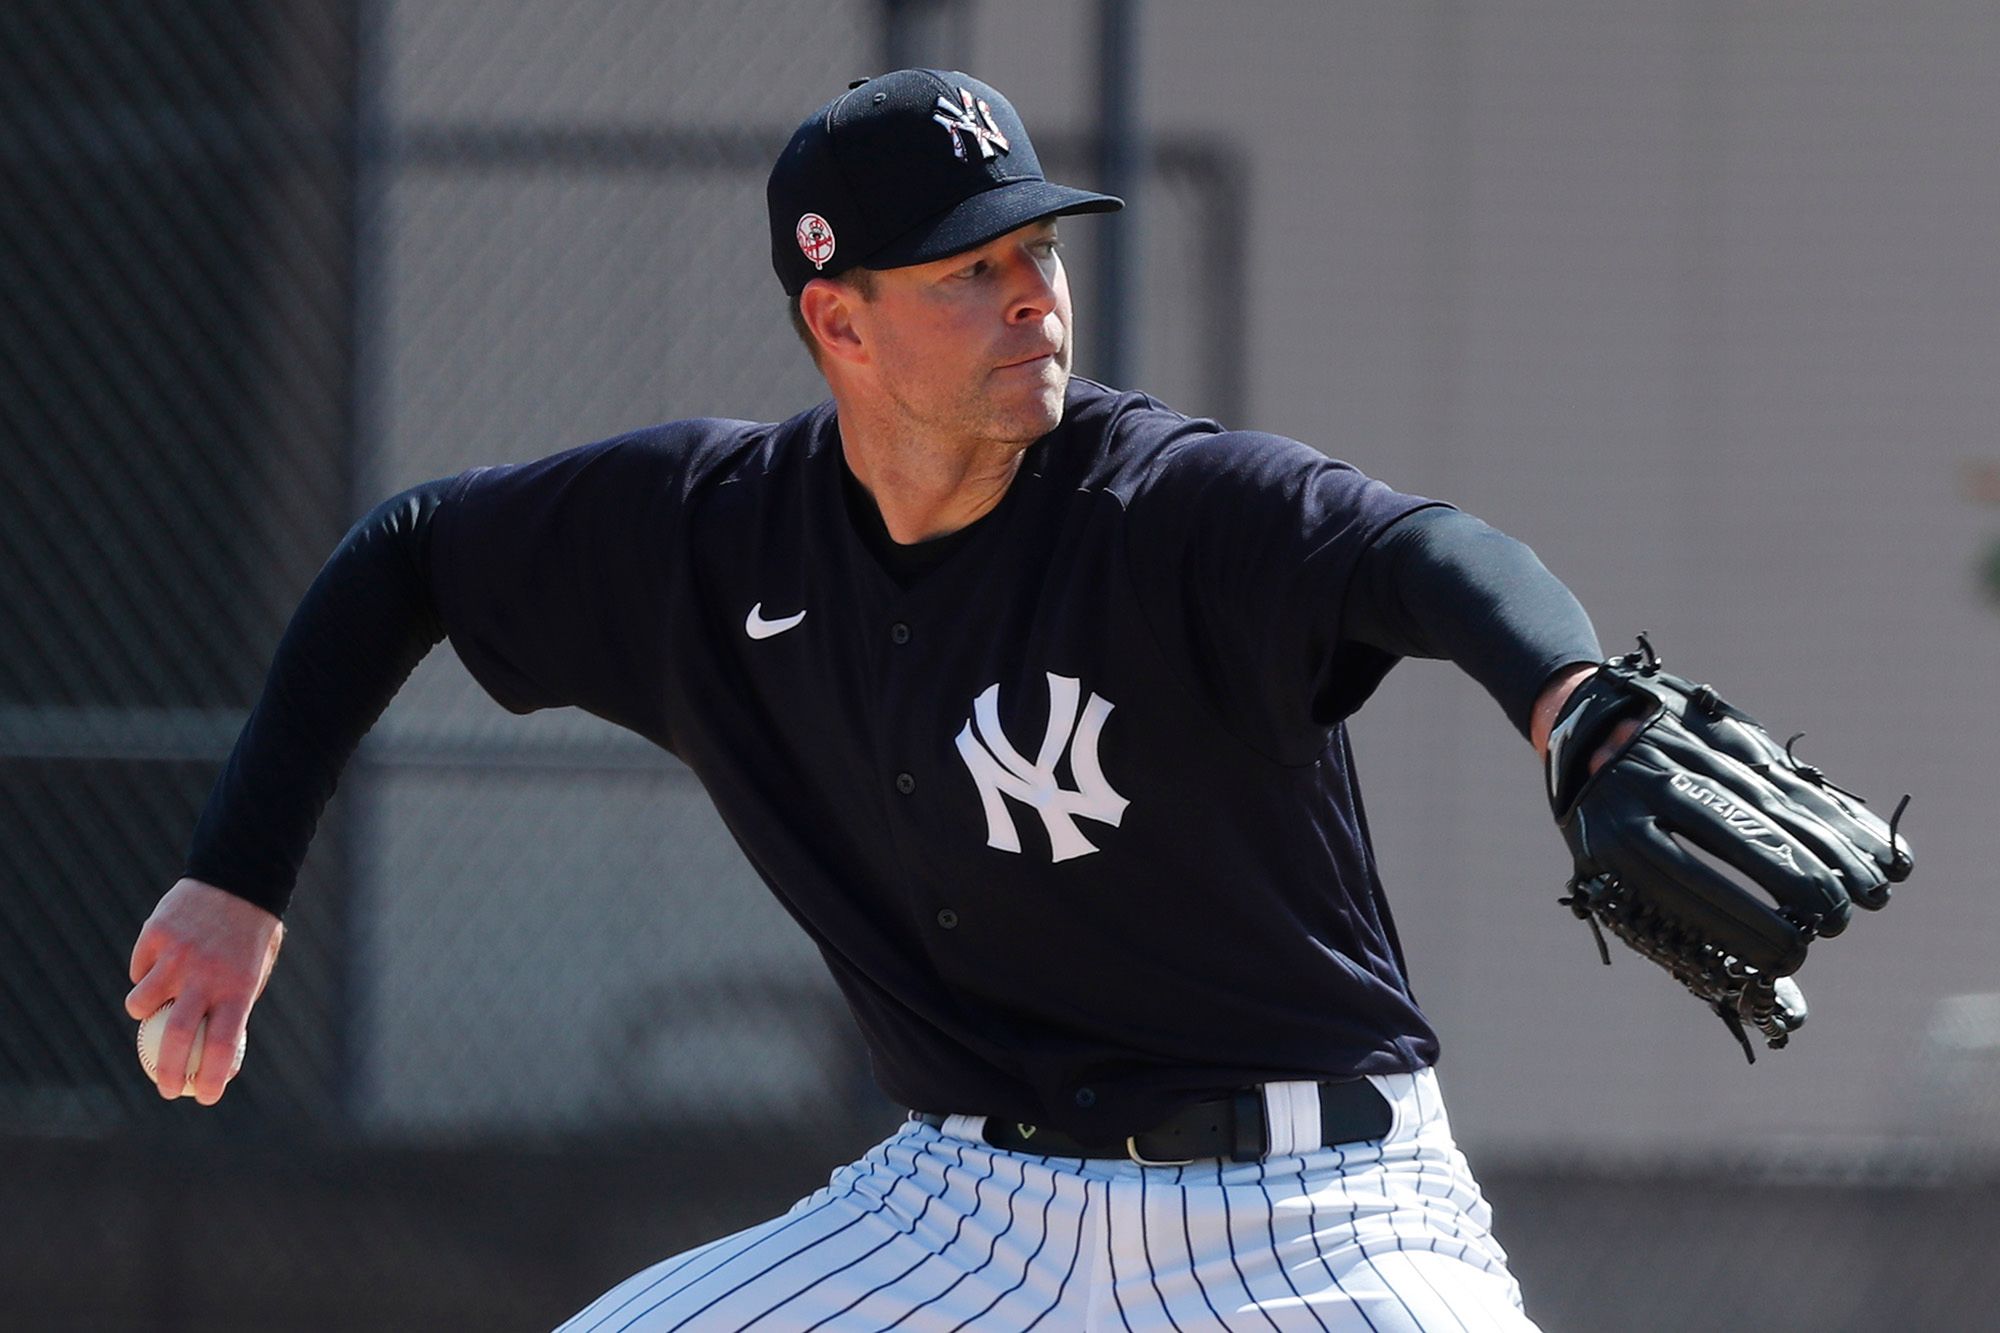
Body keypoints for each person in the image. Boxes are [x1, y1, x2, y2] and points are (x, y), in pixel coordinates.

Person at [128, 69, 1616, 1331]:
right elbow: (411, 558)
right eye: (972, 269)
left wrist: (1580, 705)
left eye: (1041, 249)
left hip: (1315, 1214)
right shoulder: (718, 539)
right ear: (839, 324)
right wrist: (235, 876)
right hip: (967, 1209)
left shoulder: (1164, 505)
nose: (1033, 294)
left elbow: (1426, 554)